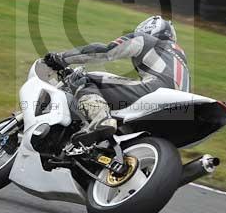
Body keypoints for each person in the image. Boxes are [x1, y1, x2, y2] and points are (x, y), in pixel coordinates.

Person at [43, 15, 189, 145]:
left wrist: (61, 58)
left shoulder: (147, 40)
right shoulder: (180, 56)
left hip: (156, 91)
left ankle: (101, 120)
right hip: (181, 111)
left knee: (83, 79)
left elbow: (106, 51)